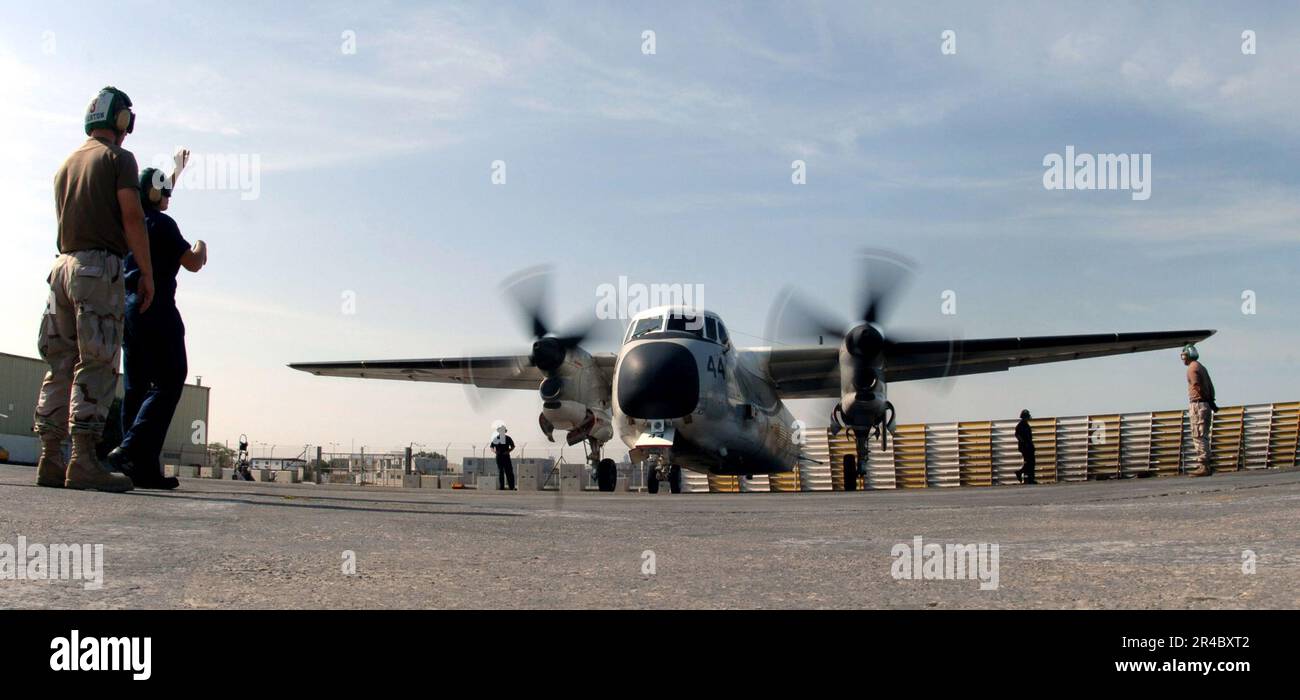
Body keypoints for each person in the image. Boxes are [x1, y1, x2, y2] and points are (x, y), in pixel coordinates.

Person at [34, 87, 155, 493]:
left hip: (60, 268)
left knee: (59, 364)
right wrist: (146, 273)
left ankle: (50, 458)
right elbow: (133, 217)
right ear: (121, 121)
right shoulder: (118, 159)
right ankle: (84, 460)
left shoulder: (66, 163)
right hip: (96, 267)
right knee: (98, 362)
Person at [107, 158, 206, 489]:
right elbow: (193, 263)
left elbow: (152, 194)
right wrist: (201, 245)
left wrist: (175, 171)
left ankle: (141, 468)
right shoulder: (163, 225)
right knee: (171, 378)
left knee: (136, 388)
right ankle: (131, 448)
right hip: (159, 308)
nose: (169, 198)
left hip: (128, 310)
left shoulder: (128, 224)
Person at [1182, 344, 1217, 477]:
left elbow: (1196, 386)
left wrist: (1203, 398)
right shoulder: (1201, 367)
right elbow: (1210, 386)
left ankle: (1204, 466)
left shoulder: (1192, 368)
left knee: (1198, 435)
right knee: (1204, 435)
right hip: (1206, 404)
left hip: (1198, 405)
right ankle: (1206, 465)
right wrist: (1211, 402)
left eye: (1183, 355)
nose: (1182, 359)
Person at [1014, 409, 1037, 484]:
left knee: (1031, 463)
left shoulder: (1025, 424)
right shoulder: (1021, 425)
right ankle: (1022, 474)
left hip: (1028, 446)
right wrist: (1024, 443)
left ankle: (1029, 478)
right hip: (1025, 447)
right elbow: (1017, 435)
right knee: (1029, 463)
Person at [490, 425, 516, 490]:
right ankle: (502, 487)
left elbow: (513, 446)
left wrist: (508, 451)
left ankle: (511, 487)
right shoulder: (496, 438)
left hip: (506, 456)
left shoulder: (508, 438)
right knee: (501, 472)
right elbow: (491, 446)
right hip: (499, 456)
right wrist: (494, 451)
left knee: (509, 471)